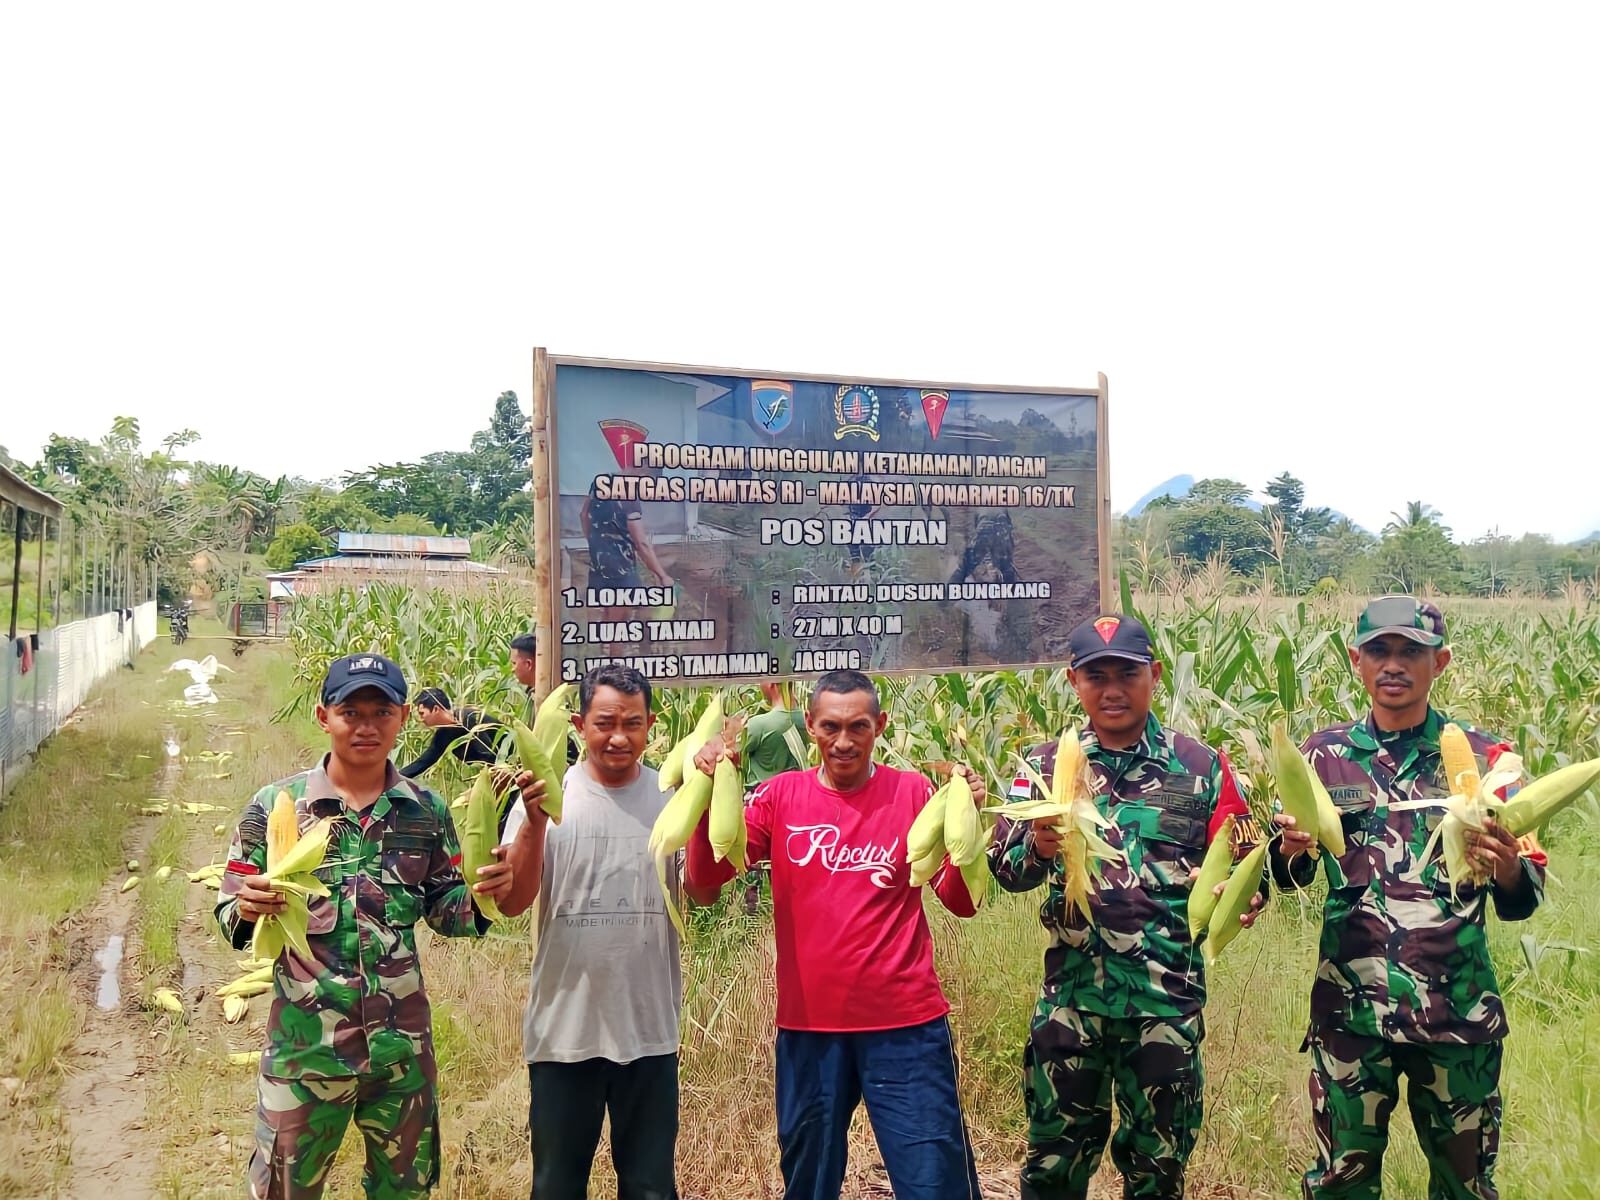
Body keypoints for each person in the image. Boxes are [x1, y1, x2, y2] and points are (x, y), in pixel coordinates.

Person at [215, 652, 529, 1200]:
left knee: (404, 1192)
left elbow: (447, 908)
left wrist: (490, 887)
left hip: (400, 1054)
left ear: (403, 717)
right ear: (323, 716)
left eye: (380, 712)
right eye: (350, 711)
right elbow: (228, 912)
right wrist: (245, 907)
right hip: (304, 1054)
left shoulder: (424, 812)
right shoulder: (275, 806)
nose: (366, 726)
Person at [1270, 596, 1545, 1200]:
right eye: (1379, 651)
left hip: (1456, 1017)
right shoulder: (1321, 757)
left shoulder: (1490, 760)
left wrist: (1506, 867)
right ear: (1356, 661)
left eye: (1411, 652)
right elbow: (1288, 876)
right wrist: (1290, 850)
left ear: (1439, 662)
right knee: (1341, 1185)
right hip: (1350, 1016)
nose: (1393, 665)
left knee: (1465, 1188)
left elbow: (1526, 896)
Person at [685, 668, 988, 1200]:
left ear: (880, 726)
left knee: (934, 1183)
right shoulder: (780, 798)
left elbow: (960, 903)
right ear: (809, 725)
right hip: (809, 1030)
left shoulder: (914, 792)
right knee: (809, 1183)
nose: (843, 742)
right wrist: (708, 790)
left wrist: (964, 819)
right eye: (829, 727)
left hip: (907, 1029)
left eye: (859, 727)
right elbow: (706, 884)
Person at [988, 613, 1262, 1200]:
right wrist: (1036, 847)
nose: (1112, 689)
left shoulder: (1202, 767)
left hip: (1165, 1004)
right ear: (1073, 681)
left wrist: (1247, 896)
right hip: (1071, 1006)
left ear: (1154, 676)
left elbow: (1240, 864)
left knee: (1158, 1171)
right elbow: (1003, 872)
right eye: (1096, 676)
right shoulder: (1043, 766)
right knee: (1053, 1168)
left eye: (1127, 674)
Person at [498, 664, 716, 1200]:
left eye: (632, 723)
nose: (619, 736)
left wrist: (711, 793)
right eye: (604, 722)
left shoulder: (672, 795)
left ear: (651, 725)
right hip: (564, 1032)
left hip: (648, 1029)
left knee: (650, 1188)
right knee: (556, 1186)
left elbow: (704, 893)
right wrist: (532, 822)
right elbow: (512, 902)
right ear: (578, 724)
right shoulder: (548, 799)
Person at [398, 687, 504, 779]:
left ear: (435, 709)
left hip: (507, 766)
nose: (421, 719)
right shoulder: (443, 735)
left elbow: (488, 754)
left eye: (422, 713)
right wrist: (395, 777)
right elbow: (423, 762)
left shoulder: (467, 719)